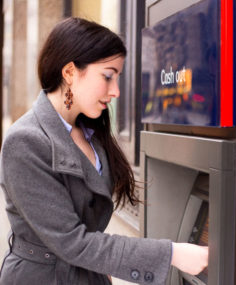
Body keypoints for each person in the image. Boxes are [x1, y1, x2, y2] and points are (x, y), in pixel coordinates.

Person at [0, 17, 208, 285]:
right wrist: (172, 253)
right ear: (70, 73)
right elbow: (73, 242)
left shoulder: (90, 131)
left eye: (117, 78)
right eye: (108, 76)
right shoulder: (25, 142)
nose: (116, 91)